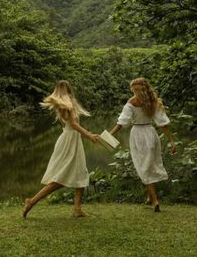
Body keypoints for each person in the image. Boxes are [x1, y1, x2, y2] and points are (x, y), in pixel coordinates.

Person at [23, 80, 99, 219]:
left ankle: (77, 209)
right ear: (69, 89)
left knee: (81, 173)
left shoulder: (65, 104)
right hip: (70, 141)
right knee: (60, 179)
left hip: (70, 140)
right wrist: (89, 135)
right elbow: (74, 124)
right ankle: (32, 201)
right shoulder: (67, 105)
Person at [110, 77, 176, 212]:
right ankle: (149, 196)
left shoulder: (131, 102)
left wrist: (110, 135)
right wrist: (171, 141)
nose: (134, 92)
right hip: (151, 134)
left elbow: (122, 123)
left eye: (134, 90)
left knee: (143, 167)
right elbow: (163, 124)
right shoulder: (153, 101)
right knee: (150, 164)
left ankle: (155, 200)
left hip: (138, 135)